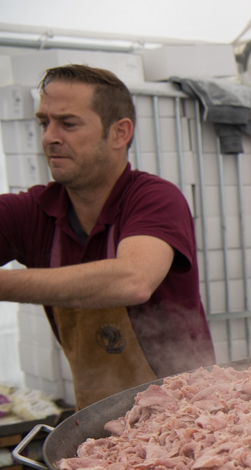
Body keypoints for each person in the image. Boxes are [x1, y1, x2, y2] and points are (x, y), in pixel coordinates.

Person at [0, 65, 215, 409]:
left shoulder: (155, 198)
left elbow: (133, 280)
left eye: (68, 123)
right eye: (44, 123)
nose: (49, 137)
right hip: (98, 420)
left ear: (119, 133)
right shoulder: (33, 213)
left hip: (189, 416)